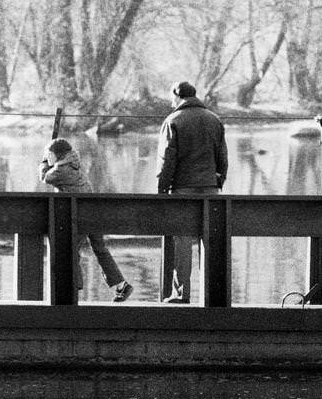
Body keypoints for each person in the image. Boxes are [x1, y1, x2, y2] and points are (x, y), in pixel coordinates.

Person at [156, 81, 228, 303]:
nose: (170, 102)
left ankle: (181, 294)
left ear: (178, 96)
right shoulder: (214, 120)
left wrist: (162, 190)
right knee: (211, 240)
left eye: (171, 98)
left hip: (182, 189)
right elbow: (223, 157)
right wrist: (219, 180)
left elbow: (166, 159)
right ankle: (212, 296)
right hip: (210, 188)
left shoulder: (173, 121)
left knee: (182, 243)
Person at [39, 137, 134, 302]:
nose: (49, 157)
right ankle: (121, 285)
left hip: (81, 215)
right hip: (93, 211)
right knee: (99, 249)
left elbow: (46, 177)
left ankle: (74, 290)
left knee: (72, 249)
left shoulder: (62, 170)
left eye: (51, 154)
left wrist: (43, 162)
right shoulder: (75, 165)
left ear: (58, 155)